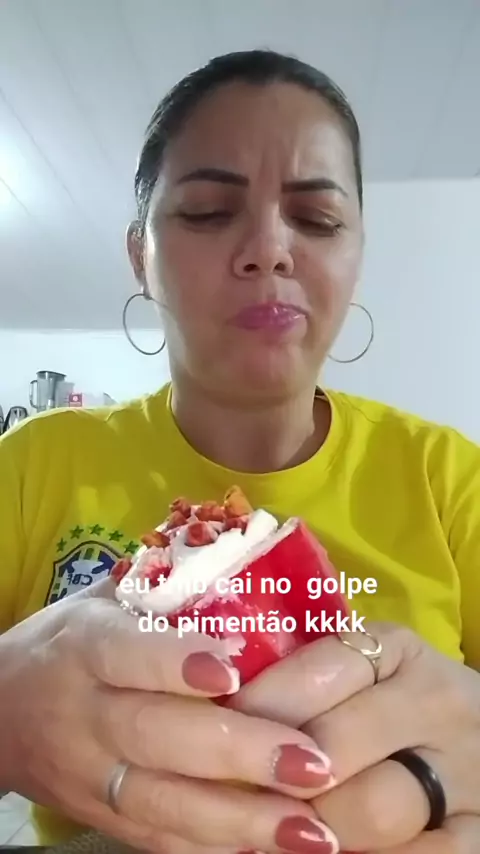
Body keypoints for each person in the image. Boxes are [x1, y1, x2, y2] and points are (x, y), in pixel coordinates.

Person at [0, 48, 479, 854]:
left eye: (317, 219)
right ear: (140, 256)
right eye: (208, 211)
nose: (269, 248)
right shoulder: (32, 465)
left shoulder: (451, 478)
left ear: (357, 257)